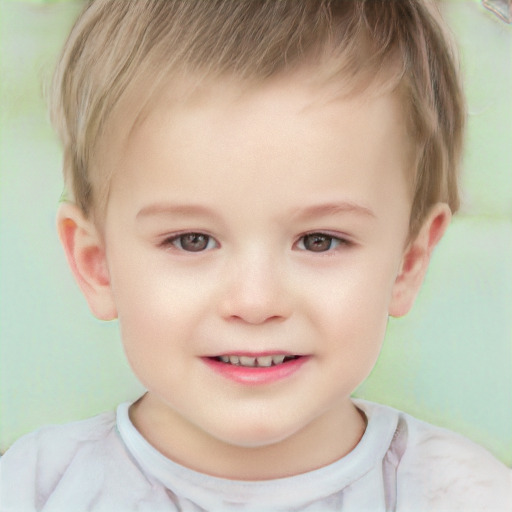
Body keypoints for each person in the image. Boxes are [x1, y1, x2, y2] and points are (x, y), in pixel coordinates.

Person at [1, 0, 510, 510]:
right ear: (97, 264)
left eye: (320, 240)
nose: (255, 301)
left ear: (408, 261)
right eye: (191, 240)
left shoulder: (464, 495)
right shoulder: (34, 489)